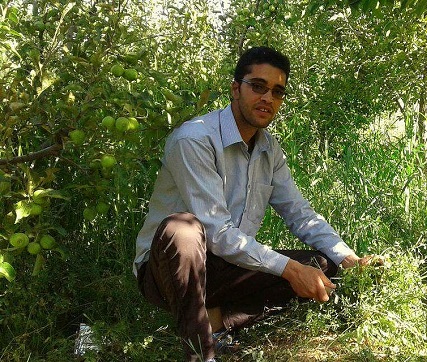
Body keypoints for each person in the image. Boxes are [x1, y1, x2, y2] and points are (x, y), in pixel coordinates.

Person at [134, 46, 370, 362]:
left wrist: (348, 259)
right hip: (168, 270)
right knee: (184, 230)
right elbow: (215, 232)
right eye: (257, 86)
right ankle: (201, 352)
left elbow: (299, 213)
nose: (267, 98)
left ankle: (217, 323)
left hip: (224, 268)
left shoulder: (269, 150)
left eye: (277, 92)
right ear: (236, 88)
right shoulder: (195, 139)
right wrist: (289, 269)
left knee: (322, 265)